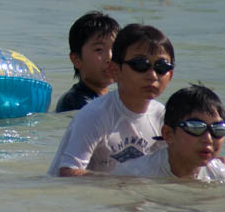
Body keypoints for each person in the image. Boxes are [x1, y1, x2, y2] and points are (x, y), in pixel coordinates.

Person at [47, 23, 175, 176]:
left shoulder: (163, 117)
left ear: (171, 74)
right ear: (115, 70)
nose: (152, 75)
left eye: (161, 67)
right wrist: (122, 181)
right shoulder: (94, 115)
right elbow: (68, 173)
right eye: (140, 65)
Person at [114, 84, 225, 181]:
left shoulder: (219, 174)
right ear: (168, 134)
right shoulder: (133, 175)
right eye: (196, 127)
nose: (208, 139)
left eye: (218, 129)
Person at [55, 11, 120, 112]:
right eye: (99, 49)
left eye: (115, 49)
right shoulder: (75, 102)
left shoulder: (110, 100)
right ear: (76, 59)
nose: (109, 58)